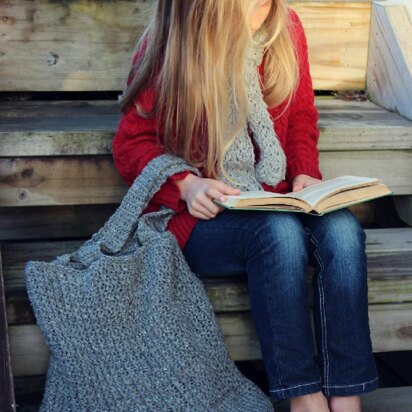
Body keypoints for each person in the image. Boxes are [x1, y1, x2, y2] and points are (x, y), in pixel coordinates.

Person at [112, 1, 379, 411]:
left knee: (343, 230)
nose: (263, 12)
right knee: (278, 233)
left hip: (275, 198)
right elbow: (132, 144)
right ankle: (304, 398)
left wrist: (305, 172)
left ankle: (346, 398)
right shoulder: (176, 40)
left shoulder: (285, 30)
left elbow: (302, 118)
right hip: (205, 217)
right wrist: (185, 185)